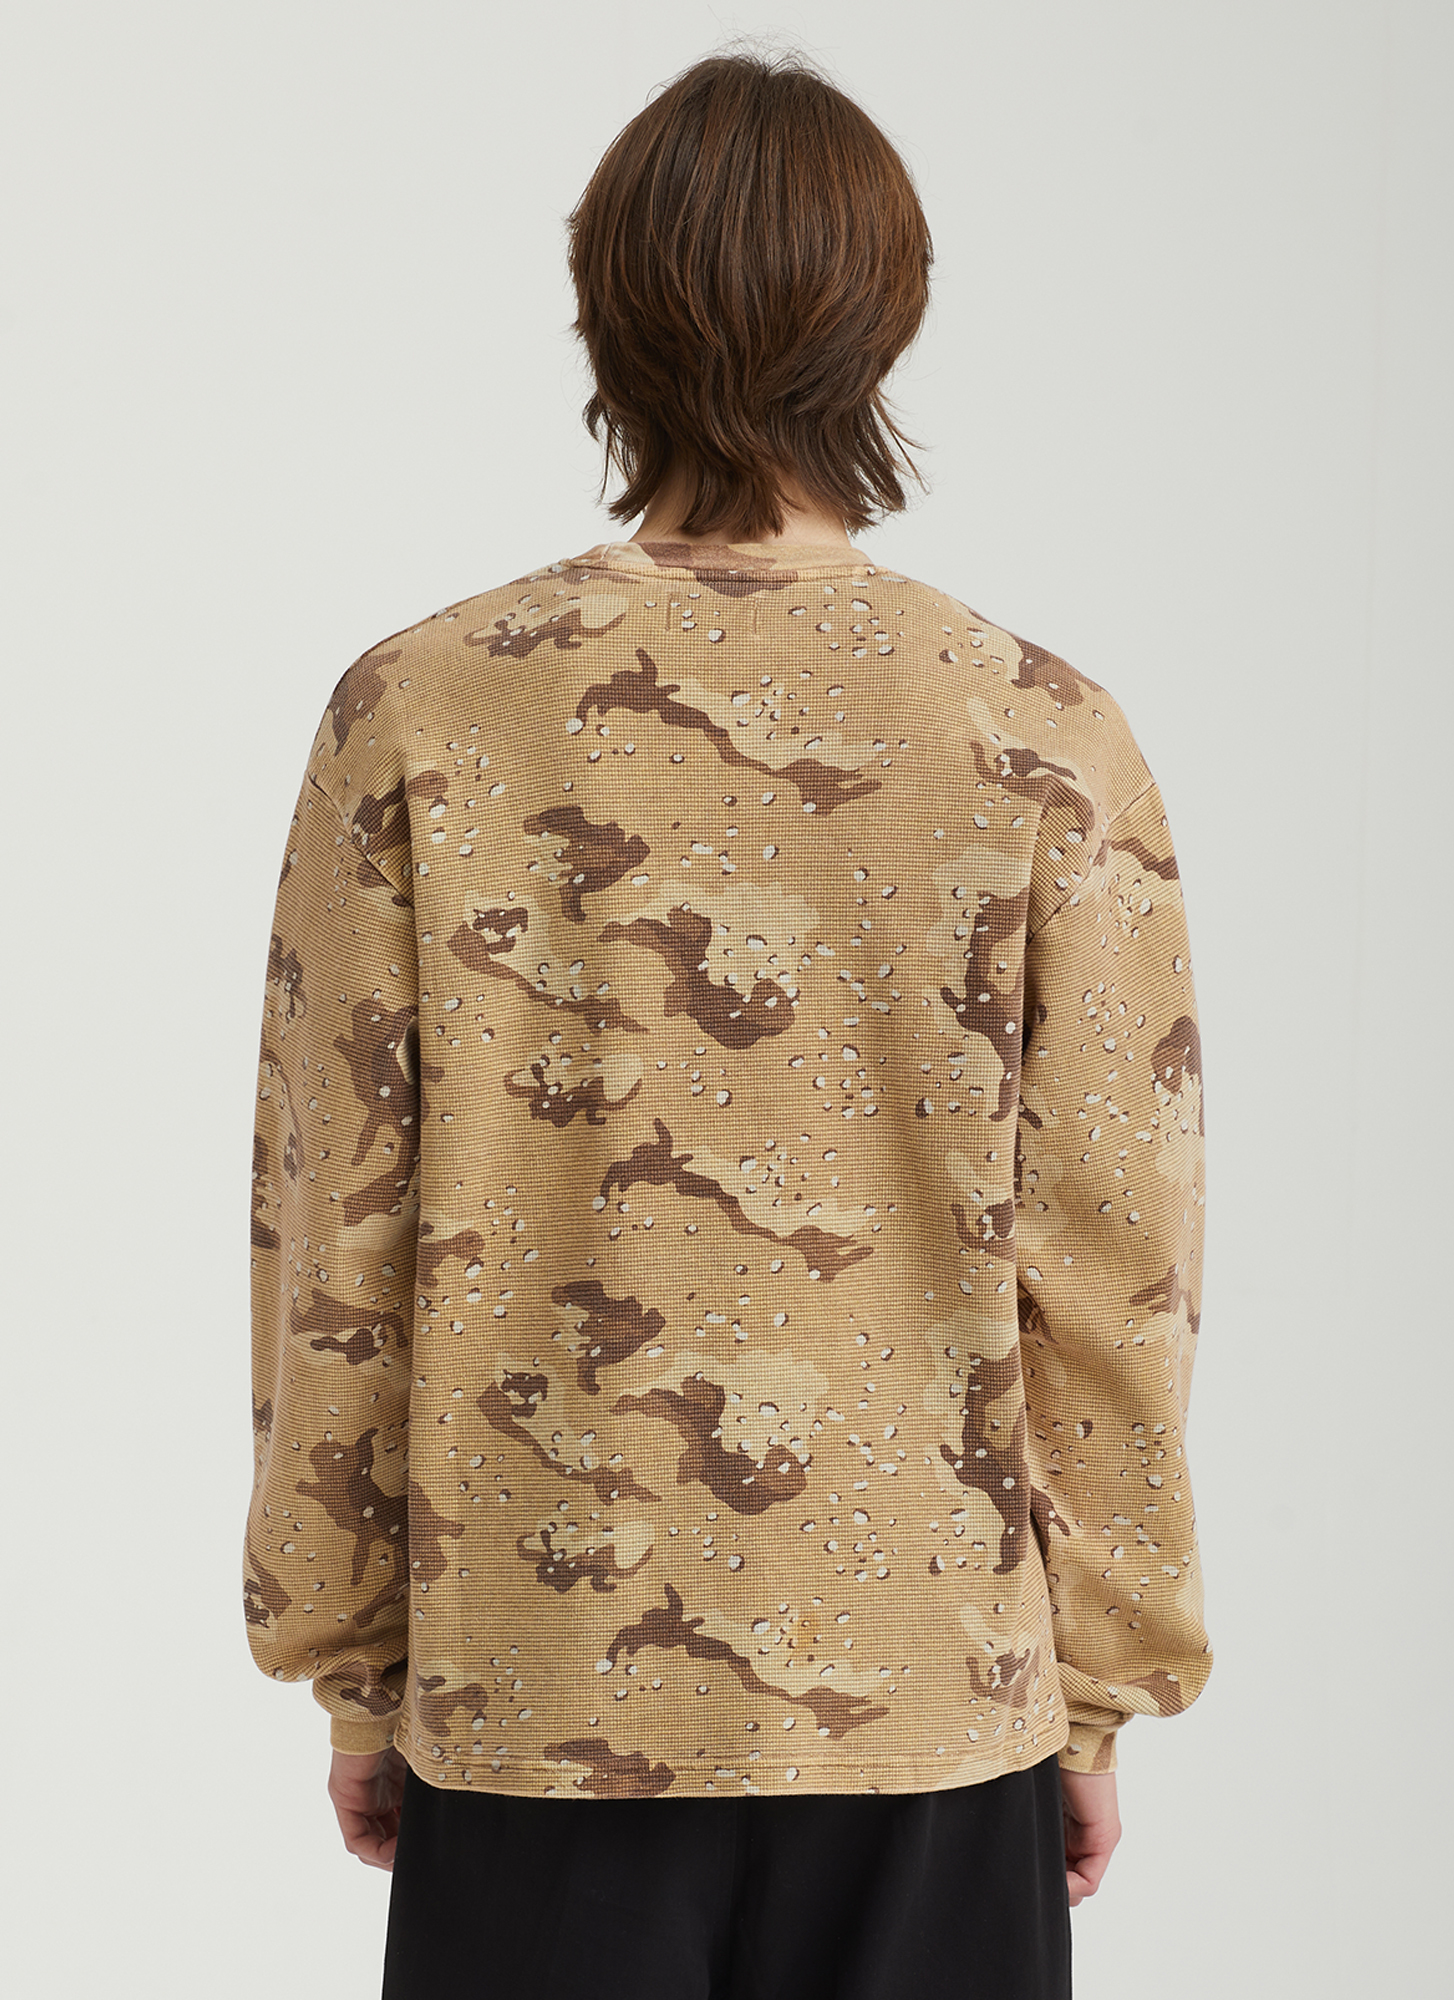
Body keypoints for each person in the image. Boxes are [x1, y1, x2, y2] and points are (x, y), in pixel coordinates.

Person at [243, 48, 1212, 2000]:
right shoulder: (1040, 735)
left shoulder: (421, 712)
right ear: (887, 324)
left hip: (536, 1693)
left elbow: (333, 1224)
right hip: (934, 1709)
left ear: (599, 308)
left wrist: (353, 1662)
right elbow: (1116, 1255)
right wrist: (1093, 1689)